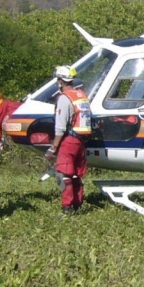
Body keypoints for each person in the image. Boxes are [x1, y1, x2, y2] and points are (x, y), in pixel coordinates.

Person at [48, 66, 92, 215]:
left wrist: (53, 148)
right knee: (75, 174)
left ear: (61, 80)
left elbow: (60, 127)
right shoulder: (81, 95)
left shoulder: (64, 98)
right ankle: (78, 204)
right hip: (80, 141)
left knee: (63, 174)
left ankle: (67, 207)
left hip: (69, 140)